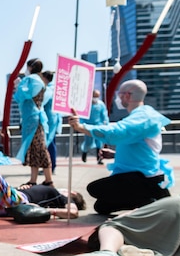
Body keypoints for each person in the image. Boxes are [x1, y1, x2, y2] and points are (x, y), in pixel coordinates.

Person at [68, 79, 174, 215]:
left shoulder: (143, 117)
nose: (118, 98)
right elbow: (139, 145)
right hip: (139, 175)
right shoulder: (142, 115)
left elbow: (117, 132)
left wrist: (81, 127)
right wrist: (114, 154)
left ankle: (149, 199)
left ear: (127, 95)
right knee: (101, 206)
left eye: (120, 94)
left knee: (95, 189)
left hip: (143, 178)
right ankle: (144, 200)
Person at [13, 59, 53, 187]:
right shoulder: (38, 80)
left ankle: (49, 180)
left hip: (33, 119)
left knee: (40, 148)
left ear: (30, 67)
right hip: (35, 118)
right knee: (35, 149)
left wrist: (18, 86)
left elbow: (22, 95)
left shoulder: (32, 80)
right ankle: (33, 179)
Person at [80, 90, 109, 164]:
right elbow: (82, 116)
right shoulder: (87, 105)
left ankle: (99, 158)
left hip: (98, 125)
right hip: (88, 126)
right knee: (88, 142)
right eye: (94, 96)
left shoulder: (101, 104)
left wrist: (105, 123)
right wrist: (81, 125)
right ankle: (84, 153)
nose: (95, 98)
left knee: (99, 142)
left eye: (97, 96)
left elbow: (104, 115)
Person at [41, 71, 62, 174]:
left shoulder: (48, 89)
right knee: (50, 143)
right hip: (53, 119)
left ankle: (49, 167)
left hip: (49, 120)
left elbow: (40, 102)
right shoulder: (54, 88)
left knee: (48, 144)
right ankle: (50, 166)